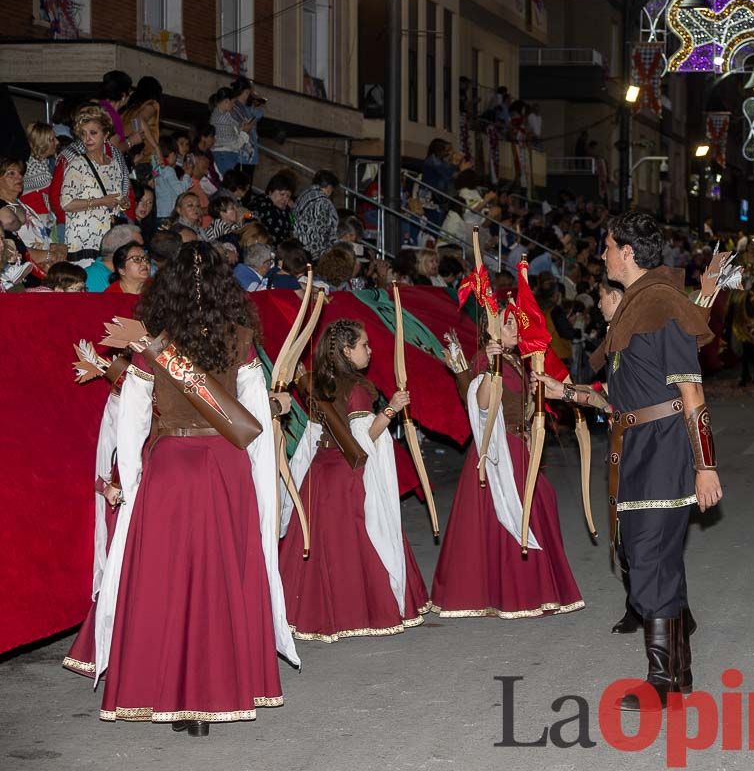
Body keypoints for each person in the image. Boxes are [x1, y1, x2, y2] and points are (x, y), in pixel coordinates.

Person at [63, 241, 298, 734]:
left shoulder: (154, 342)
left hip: (169, 467)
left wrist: (131, 480)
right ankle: (217, 691)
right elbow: (255, 423)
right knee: (221, 575)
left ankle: (165, 690)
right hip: (226, 467)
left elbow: (130, 421)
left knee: (167, 579)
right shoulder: (240, 338)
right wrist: (263, 488)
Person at [544, 211, 721, 711]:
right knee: (658, 558)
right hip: (638, 447)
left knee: (647, 559)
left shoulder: (662, 304)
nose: (602, 255)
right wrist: (570, 393)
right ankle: (678, 674)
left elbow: (691, 392)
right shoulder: (636, 307)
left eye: (606, 246)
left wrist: (706, 465)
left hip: (663, 450)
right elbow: (628, 397)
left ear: (627, 251)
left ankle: (661, 680)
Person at [429, 301, 584, 620]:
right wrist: (491, 368)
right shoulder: (488, 359)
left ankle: (529, 590)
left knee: (540, 502)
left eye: (517, 322)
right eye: (509, 322)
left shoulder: (513, 358)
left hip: (518, 444)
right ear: (492, 328)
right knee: (514, 515)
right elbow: (483, 404)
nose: (517, 328)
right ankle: (517, 593)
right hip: (500, 450)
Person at [279, 320, 431, 641]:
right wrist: (391, 409)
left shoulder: (321, 381)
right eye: (364, 345)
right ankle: (359, 611)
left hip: (320, 473)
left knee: (321, 548)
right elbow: (363, 440)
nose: (370, 351)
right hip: (347, 476)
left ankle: (309, 615)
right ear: (347, 350)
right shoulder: (358, 388)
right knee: (359, 542)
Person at [60, 107, 127, 258]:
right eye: (83, 134)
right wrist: (102, 201)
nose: (87, 138)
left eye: (93, 133)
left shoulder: (114, 164)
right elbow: (66, 203)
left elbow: (115, 199)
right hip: (83, 240)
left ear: (106, 134)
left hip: (108, 239)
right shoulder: (77, 164)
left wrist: (121, 203)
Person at [293, 170, 340, 257]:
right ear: (329, 187)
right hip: (313, 253)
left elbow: (293, 217)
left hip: (298, 247)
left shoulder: (304, 195)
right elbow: (321, 230)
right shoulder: (323, 201)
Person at [253, 173, 295, 242]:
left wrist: (292, 210)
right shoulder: (262, 203)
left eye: (288, 196)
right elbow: (249, 215)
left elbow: (293, 224)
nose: (285, 199)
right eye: (282, 194)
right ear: (270, 192)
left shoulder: (287, 209)